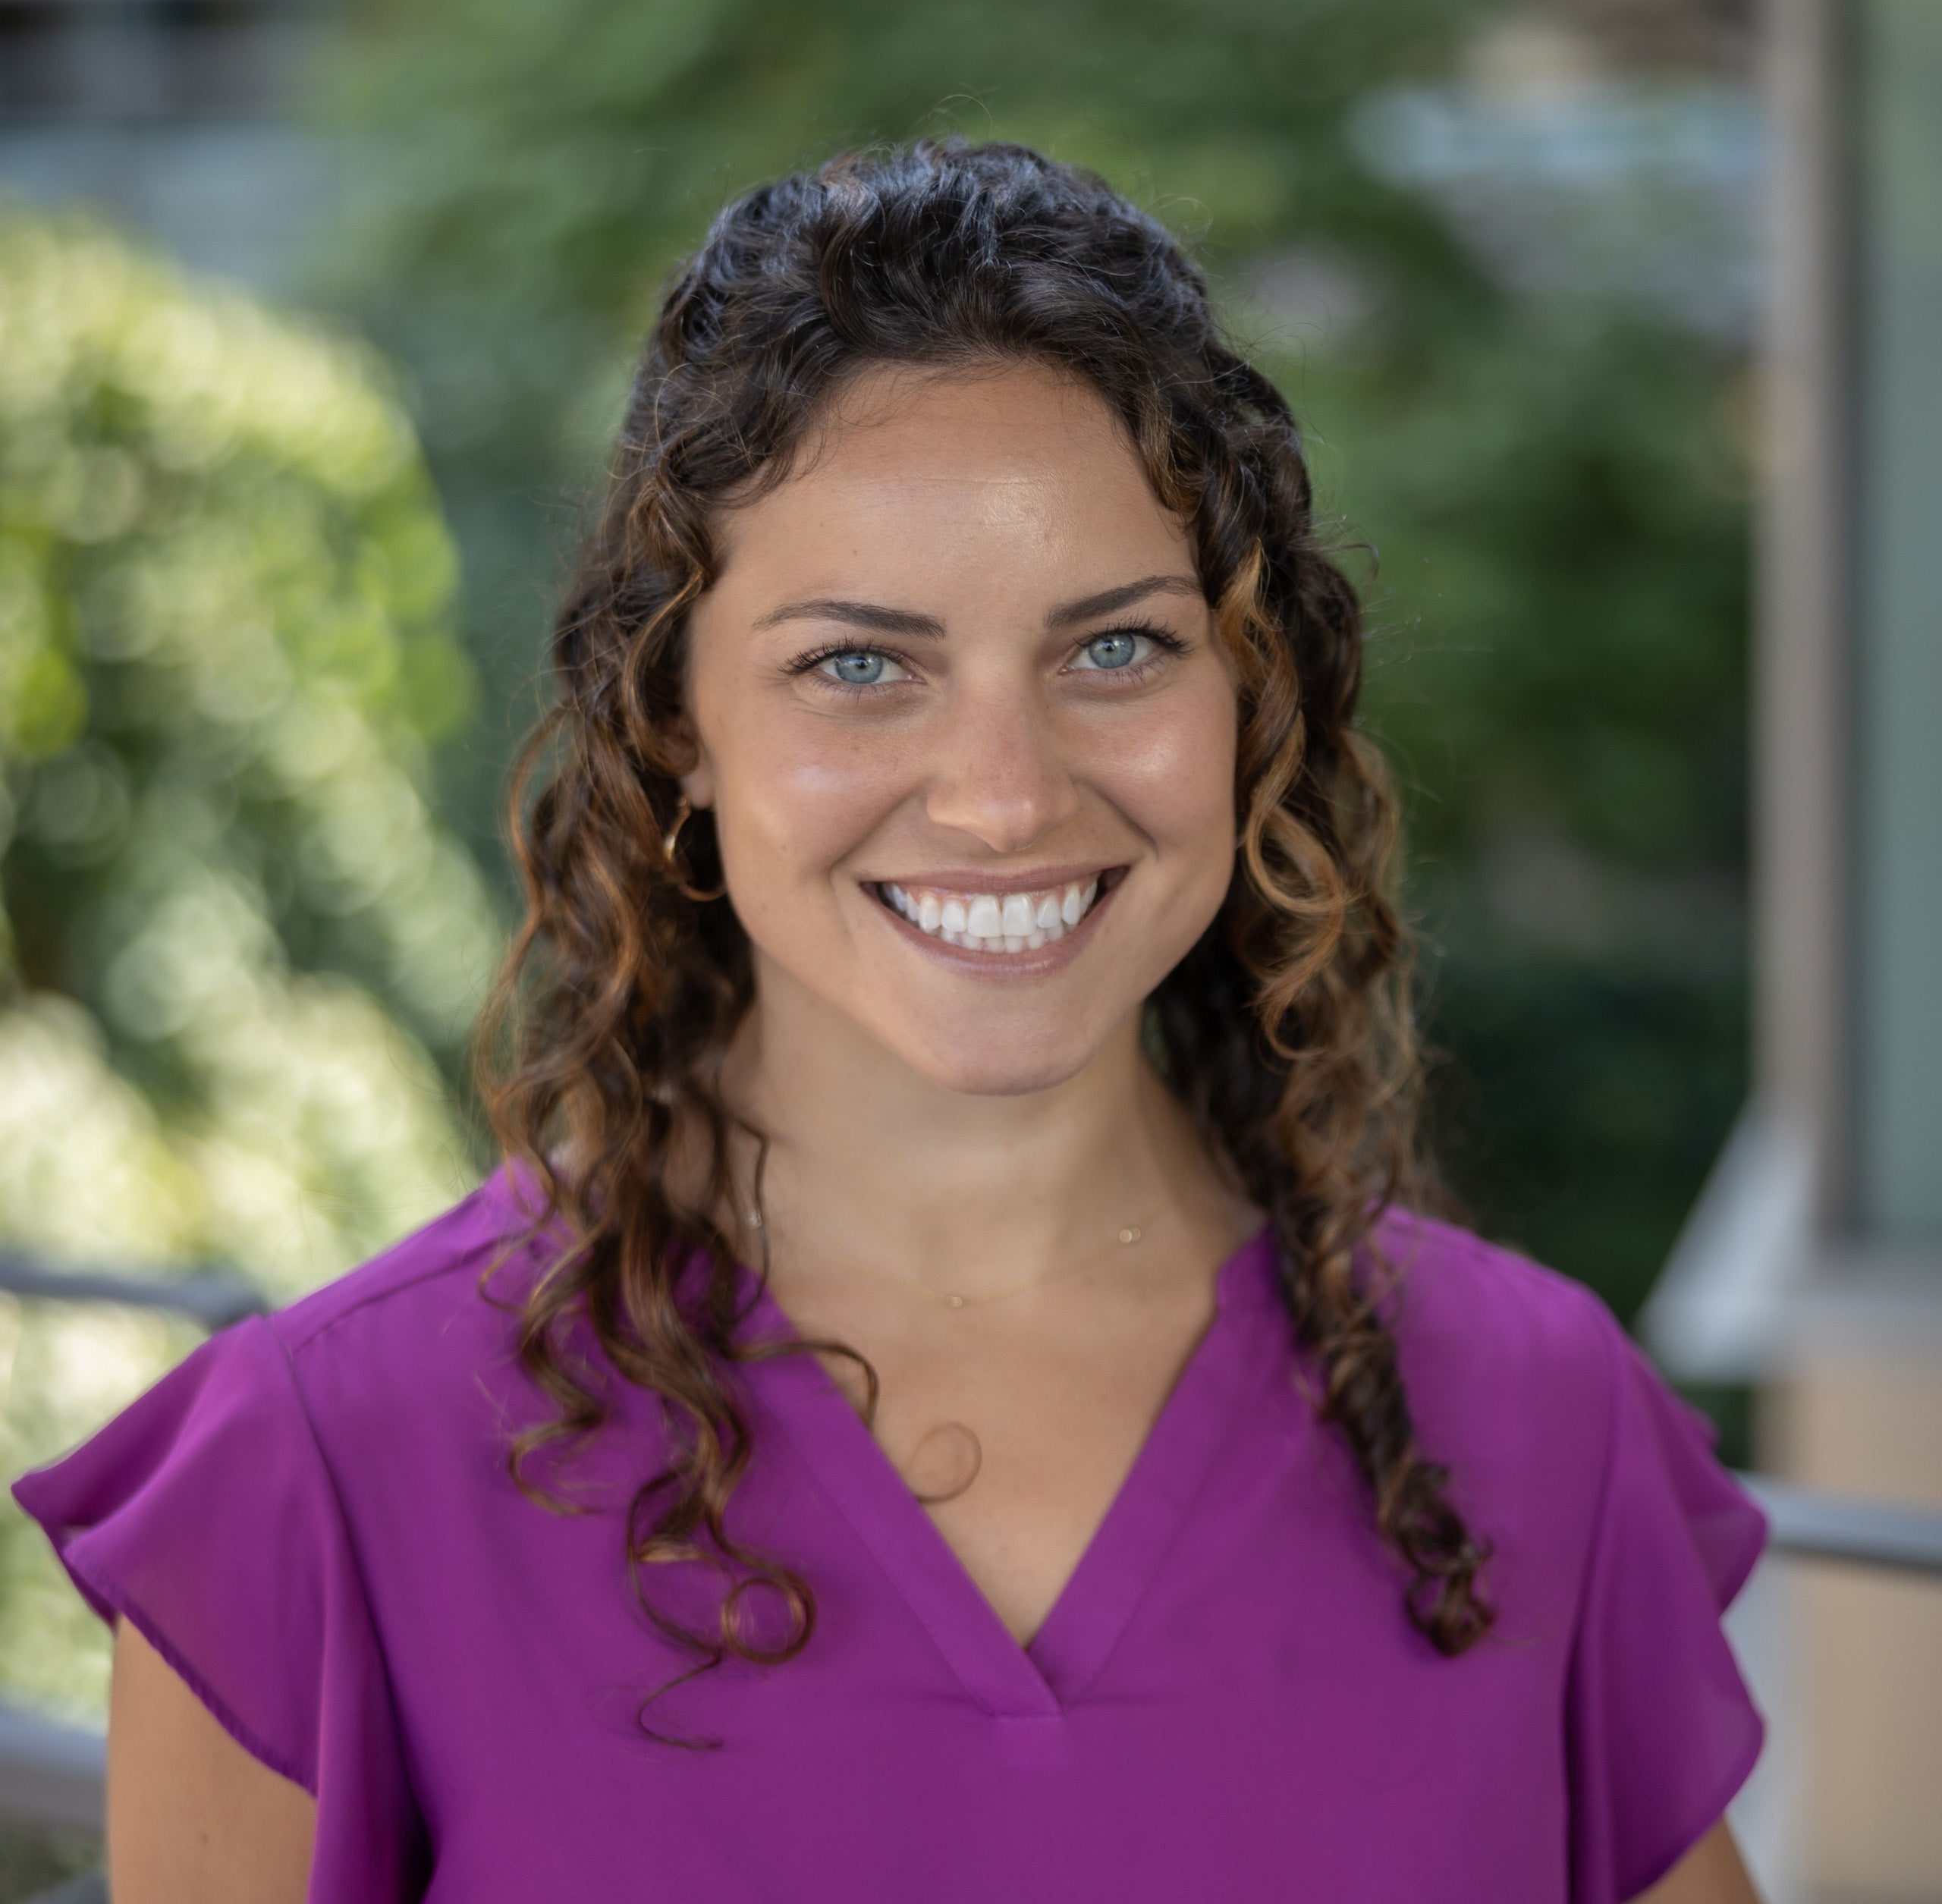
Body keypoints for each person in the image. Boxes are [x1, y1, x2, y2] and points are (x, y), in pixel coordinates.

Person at [14, 140, 1766, 1903]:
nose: (1002, 797)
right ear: (673, 726)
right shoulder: (320, 1475)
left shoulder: (1532, 1417)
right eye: (858, 663)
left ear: (1253, 695)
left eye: (1116, 649)